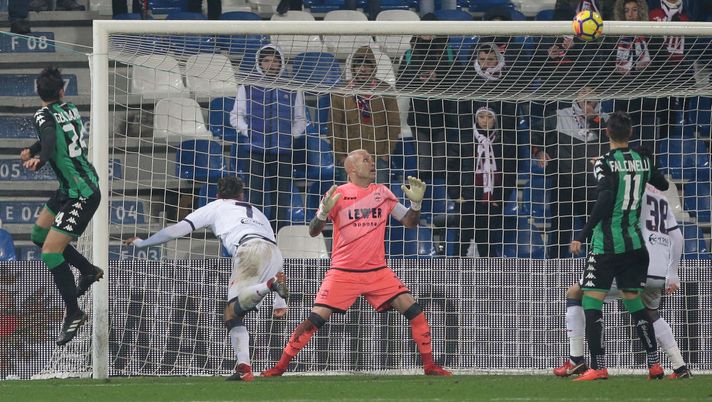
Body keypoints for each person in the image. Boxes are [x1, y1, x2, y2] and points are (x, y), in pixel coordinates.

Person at [261, 149, 452, 377]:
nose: (372, 163)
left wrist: (416, 205)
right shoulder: (338, 194)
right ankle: (279, 367)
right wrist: (322, 213)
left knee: (416, 311)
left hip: (377, 271)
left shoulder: (383, 193)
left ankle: (430, 366)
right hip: (343, 272)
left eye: (372, 159)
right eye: (366, 160)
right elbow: (313, 232)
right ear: (351, 169)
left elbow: (410, 222)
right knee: (314, 320)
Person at [124, 176, 289, 382]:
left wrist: (143, 243)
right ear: (241, 194)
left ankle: (268, 286)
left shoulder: (216, 206)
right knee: (232, 314)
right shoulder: (257, 212)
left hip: (249, 249)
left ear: (218, 195)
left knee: (233, 310)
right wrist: (280, 301)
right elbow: (273, 247)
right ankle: (244, 368)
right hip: (273, 252)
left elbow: (176, 230)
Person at [568, 111, 669, 381]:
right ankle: (655, 364)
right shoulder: (641, 160)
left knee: (591, 299)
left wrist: (582, 234)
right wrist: (649, 159)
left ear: (607, 133)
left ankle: (598, 366)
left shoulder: (604, 162)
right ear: (631, 133)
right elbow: (662, 184)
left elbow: (604, 198)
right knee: (633, 300)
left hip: (606, 244)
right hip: (635, 243)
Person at [555, 184, 692, 379]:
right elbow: (677, 237)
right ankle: (679, 367)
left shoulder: (630, 189)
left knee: (576, 293)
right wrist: (673, 272)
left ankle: (578, 360)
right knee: (651, 313)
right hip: (660, 269)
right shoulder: (661, 196)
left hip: (633, 258)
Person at [20, 67, 103, 346]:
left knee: (50, 253)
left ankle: (74, 313)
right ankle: (88, 270)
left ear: (38, 93)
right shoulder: (70, 108)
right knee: (39, 236)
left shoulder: (41, 115)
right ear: (61, 91)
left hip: (81, 193)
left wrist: (39, 159)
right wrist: (35, 150)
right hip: (70, 188)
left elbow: (50, 139)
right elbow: (51, 136)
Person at [230, 44, 307, 231]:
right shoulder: (247, 87)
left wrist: (290, 136)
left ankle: (277, 236)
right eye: (266, 60)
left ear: (281, 63)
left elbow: (301, 119)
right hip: (255, 150)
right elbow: (235, 116)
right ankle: (254, 233)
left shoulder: (292, 88)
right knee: (254, 196)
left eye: (275, 60)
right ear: (259, 63)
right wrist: (249, 132)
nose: (271, 64)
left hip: (283, 152)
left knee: (281, 198)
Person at [531, 86, 609, 258]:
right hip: (564, 182)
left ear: (598, 98)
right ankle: (554, 270)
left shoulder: (607, 119)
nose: (586, 100)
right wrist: (539, 152)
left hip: (594, 185)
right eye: (583, 96)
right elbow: (535, 133)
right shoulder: (560, 115)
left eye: (591, 98)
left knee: (595, 230)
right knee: (560, 229)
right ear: (577, 97)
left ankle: (595, 270)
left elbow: (615, 142)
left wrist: (594, 120)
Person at [446, 106, 517, 257]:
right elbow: (451, 170)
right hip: (467, 199)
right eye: (482, 117)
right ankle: (454, 278)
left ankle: (489, 279)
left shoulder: (505, 142)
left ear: (495, 119)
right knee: (461, 244)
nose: (485, 121)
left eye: (489, 117)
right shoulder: (463, 140)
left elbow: (510, 174)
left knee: (488, 246)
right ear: (476, 119)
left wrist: (501, 197)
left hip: (490, 201)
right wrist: (456, 195)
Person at [330, 45, 400, 184]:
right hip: (350, 158)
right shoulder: (341, 93)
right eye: (358, 65)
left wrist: (386, 153)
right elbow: (334, 127)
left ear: (373, 67)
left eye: (367, 65)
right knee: (350, 201)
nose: (362, 69)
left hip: (378, 157)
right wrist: (341, 156)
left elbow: (393, 123)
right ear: (353, 68)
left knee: (377, 201)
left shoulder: (385, 90)